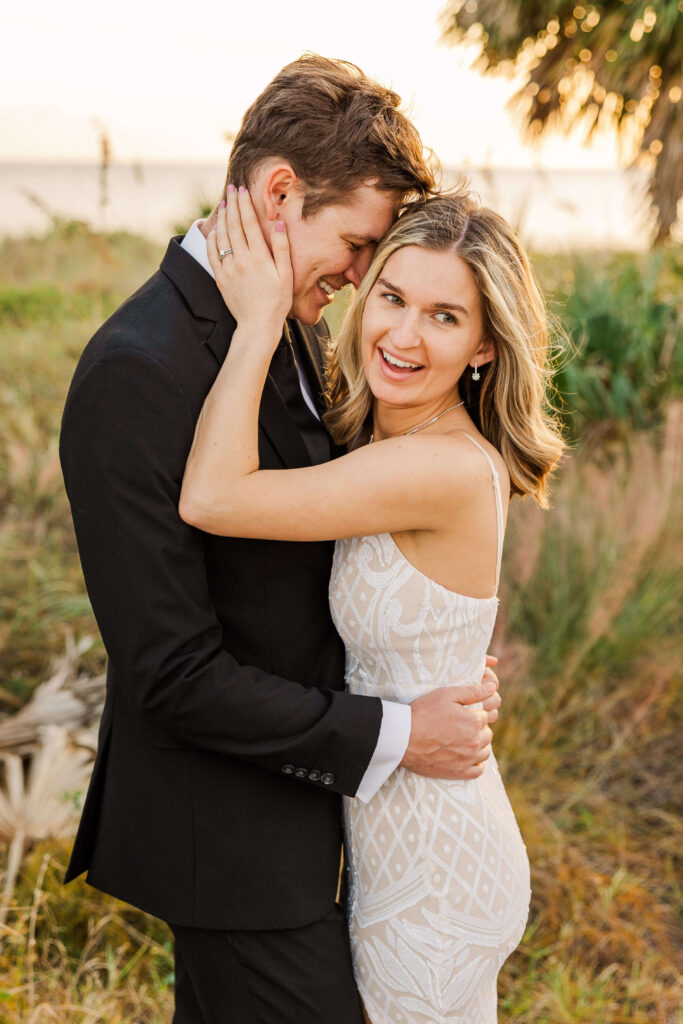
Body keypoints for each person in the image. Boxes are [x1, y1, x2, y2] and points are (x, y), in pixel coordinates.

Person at [59, 55, 502, 1024]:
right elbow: (170, 672)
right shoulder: (140, 370)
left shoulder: (278, 320)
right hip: (228, 843)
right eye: (353, 244)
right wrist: (397, 729)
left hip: (323, 822)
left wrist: (424, 651)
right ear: (277, 193)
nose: (357, 278)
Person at [179, 188, 565, 1023]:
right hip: (396, 835)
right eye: (390, 297)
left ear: (484, 347)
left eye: (442, 316)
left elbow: (212, 497)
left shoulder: (440, 467)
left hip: (434, 863)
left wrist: (257, 321)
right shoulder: (385, 436)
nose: (401, 334)